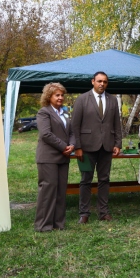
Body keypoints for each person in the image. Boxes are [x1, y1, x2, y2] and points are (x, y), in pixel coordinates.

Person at [71, 71, 123, 223]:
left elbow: (117, 124)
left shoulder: (113, 100)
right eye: (99, 81)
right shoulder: (82, 99)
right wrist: (78, 147)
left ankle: (103, 212)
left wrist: (117, 143)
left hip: (106, 147)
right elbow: (75, 125)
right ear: (92, 81)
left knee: (104, 180)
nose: (102, 84)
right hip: (86, 148)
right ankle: (84, 213)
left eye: (105, 82)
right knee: (86, 179)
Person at [34, 83, 75, 232]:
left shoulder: (64, 113)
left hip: (63, 157)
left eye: (62, 95)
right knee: (48, 191)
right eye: (57, 95)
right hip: (48, 157)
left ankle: (59, 224)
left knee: (60, 191)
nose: (60, 98)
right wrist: (64, 146)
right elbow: (46, 134)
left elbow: (72, 132)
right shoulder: (43, 112)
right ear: (49, 96)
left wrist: (72, 145)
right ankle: (43, 225)